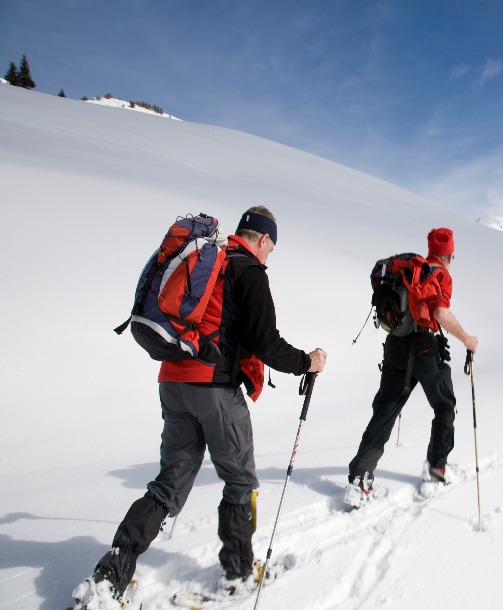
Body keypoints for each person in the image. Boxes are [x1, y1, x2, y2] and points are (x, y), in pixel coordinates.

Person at [72, 206, 327, 607]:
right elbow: (266, 342)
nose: (269, 256)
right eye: (271, 248)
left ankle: (111, 575)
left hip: (172, 381)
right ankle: (239, 572)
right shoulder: (249, 271)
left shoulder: (210, 259)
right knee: (241, 481)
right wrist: (307, 362)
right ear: (262, 239)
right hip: (214, 388)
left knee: (169, 484)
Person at [345, 227, 478, 508]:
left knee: (385, 410)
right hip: (425, 347)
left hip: (395, 344)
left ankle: (359, 481)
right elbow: (440, 313)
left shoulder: (407, 269)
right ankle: (436, 468)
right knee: (444, 405)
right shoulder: (439, 274)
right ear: (449, 255)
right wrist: (467, 339)